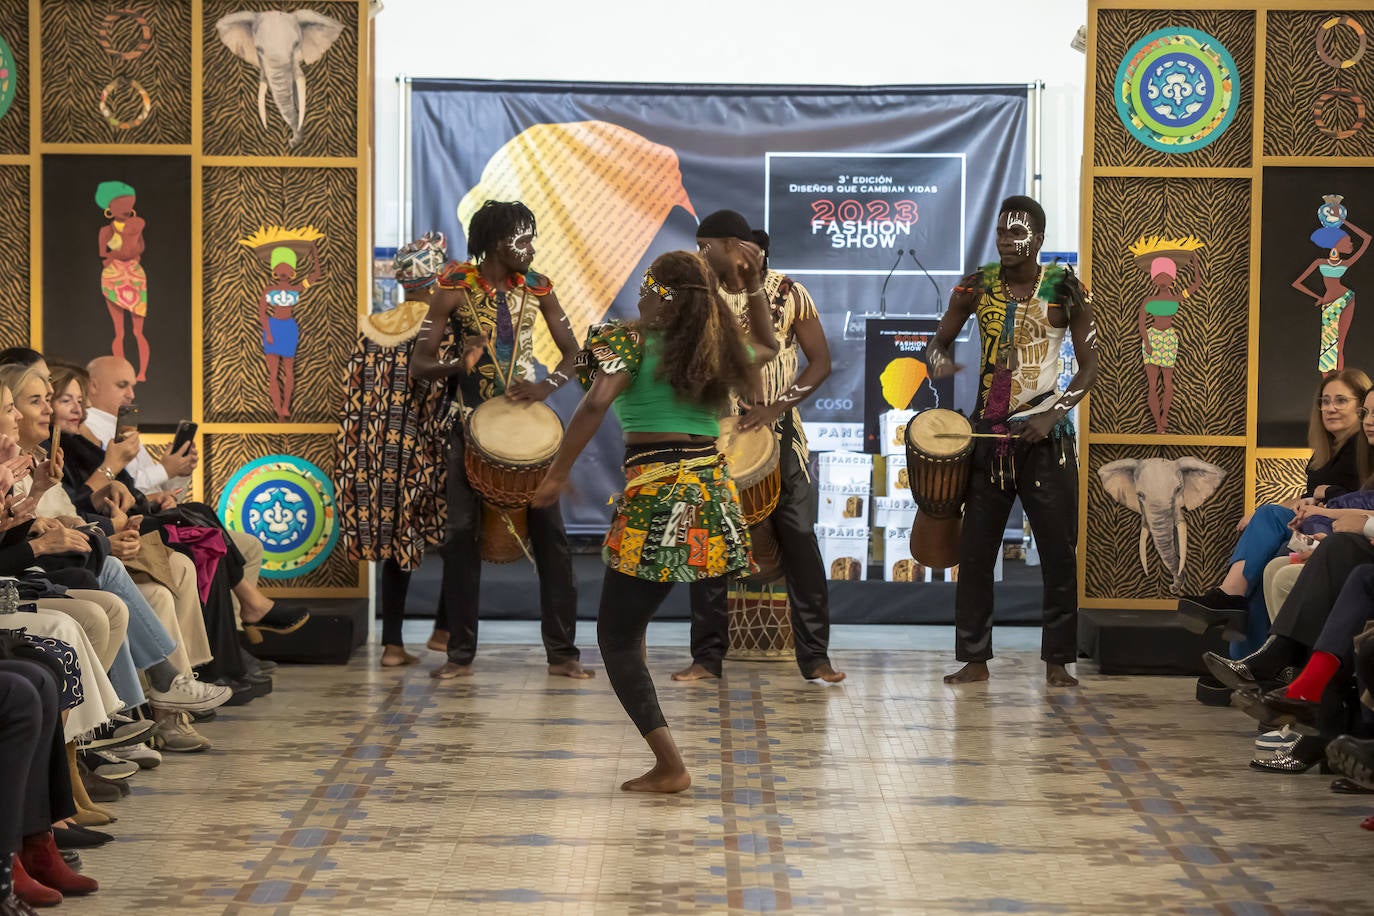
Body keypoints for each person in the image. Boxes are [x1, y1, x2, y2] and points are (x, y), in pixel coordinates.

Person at [531, 249, 778, 792]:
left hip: (660, 497)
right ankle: (667, 759)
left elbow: (595, 404)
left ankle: (670, 765)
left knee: (616, 638)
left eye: (646, 289)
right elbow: (769, 345)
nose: (638, 298)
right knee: (630, 628)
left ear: (660, 295)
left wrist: (556, 474)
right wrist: (754, 286)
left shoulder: (631, 340)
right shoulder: (712, 347)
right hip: (711, 497)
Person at [412, 201, 590, 680]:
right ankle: (459, 654)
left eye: (532, 238)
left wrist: (546, 387)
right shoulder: (452, 290)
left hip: (526, 431)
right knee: (460, 540)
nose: (531, 248)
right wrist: (457, 366)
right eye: (522, 239)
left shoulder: (539, 289)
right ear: (495, 244)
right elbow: (419, 364)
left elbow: (576, 355)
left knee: (552, 541)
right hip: (466, 425)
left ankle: (563, 654)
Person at [924, 196, 1097, 687]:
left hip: (1048, 439)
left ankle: (1058, 662)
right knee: (976, 552)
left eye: (1015, 232)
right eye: (1000, 231)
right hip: (989, 435)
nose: (1005, 240)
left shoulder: (1066, 287)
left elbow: (1091, 367)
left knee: (1059, 553)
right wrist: (939, 357)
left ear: (1038, 239)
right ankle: (974, 658)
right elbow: (940, 340)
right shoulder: (976, 284)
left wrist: (1053, 414)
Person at [675, 213, 843, 683]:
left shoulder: (790, 293)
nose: (700, 255)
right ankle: (706, 658)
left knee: (800, 538)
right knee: (707, 544)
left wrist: (774, 409)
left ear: (736, 247)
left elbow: (821, 362)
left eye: (706, 247)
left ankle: (816, 657)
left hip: (781, 434)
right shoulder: (701, 298)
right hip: (718, 436)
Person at [1180, 369, 1369, 645]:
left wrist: (1322, 495)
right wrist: (1303, 500)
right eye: (1325, 401)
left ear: (1362, 407)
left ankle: (1230, 596)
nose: (1330, 408)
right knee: (1262, 562)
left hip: (1341, 536)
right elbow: (1308, 497)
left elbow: (1356, 499)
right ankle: (1244, 659)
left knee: (1269, 521)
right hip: (1314, 525)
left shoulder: (1364, 447)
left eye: (1341, 401)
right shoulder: (1325, 452)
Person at [334, 232, 451, 666]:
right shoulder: (440, 327)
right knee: (455, 537)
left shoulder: (371, 328)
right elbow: (442, 395)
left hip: (372, 455)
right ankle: (445, 631)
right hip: (424, 447)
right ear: (437, 280)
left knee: (394, 541)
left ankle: (393, 645)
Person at [257, 243, 323, 419]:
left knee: (289, 371)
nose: (283, 271)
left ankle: (286, 407)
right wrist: (268, 332)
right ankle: (277, 409)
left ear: (292, 271)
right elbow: (261, 313)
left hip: (289, 329)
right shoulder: (268, 290)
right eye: (280, 268)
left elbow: (316, 275)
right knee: (273, 374)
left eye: (287, 268)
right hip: (274, 327)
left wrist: (314, 253)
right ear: (275, 272)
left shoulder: (296, 288)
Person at [95, 180, 150, 381]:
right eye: (121, 205)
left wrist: (124, 250)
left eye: (129, 204)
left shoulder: (138, 224)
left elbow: (138, 248)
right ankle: (123, 375)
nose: (127, 209)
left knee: (138, 331)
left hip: (134, 277)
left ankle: (142, 372)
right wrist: (115, 254)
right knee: (119, 331)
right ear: (110, 208)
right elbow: (104, 255)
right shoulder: (105, 231)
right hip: (114, 277)